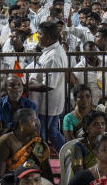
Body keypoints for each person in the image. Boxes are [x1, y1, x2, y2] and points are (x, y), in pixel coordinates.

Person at [28, 21, 68, 152]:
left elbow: (48, 85)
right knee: (53, 132)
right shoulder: (51, 50)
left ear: (50, 38)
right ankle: (67, 156)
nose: (37, 36)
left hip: (47, 104)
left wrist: (27, 87)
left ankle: (44, 163)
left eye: (40, 34)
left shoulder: (54, 56)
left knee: (43, 135)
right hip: (50, 102)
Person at [0, 108, 51, 185]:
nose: (37, 124)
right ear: (22, 123)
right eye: (33, 121)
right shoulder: (4, 143)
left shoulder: (37, 142)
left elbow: (46, 172)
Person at [0, 75, 39, 139]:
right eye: (12, 85)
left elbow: (34, 131)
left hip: (24, 143)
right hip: (5, 142)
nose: (16, 88)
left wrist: (9, 131)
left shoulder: (31, 105)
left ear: (22, 88)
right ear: (6, 89)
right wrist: (19, 131)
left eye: (19, 85)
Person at [69, 110, 107, 175]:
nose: (100, 127)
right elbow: (79, 176)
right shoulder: (78, 148)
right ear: (87, 128)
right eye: (95, 124)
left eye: (103, 123)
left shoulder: (106, 144)